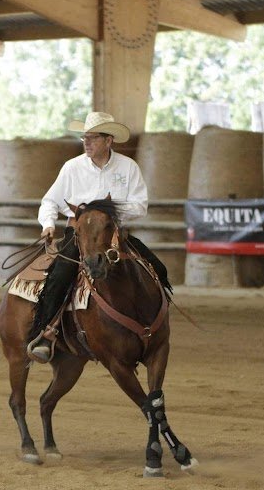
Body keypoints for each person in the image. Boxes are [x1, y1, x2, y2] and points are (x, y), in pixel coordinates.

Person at [27, 111, 171, 363]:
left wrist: (107, 214)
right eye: (85, 138)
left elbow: (140, 205)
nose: (87, 143)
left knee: (157, 268)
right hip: (79, 235)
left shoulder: (128, 167)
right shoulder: (72, 168)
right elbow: (50, 200)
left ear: (108, 140)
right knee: (59, 276)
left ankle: (158, 320)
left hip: (114, 234)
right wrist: (48, 223)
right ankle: (46, 332)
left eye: (93, 138)